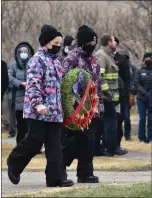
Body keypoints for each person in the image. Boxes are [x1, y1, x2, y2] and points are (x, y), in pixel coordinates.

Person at [7, 25, 74, 187]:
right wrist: (37, 104)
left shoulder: (57, 62)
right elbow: (33, 85)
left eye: (60, 42)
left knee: (55, 146)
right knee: (34, 141)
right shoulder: (37, 60)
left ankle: (56, 178)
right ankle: (14, 163)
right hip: (39, 111)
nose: (58, 46)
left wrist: (69, 100)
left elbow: (61, 85)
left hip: (55, 112)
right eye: (56, 42)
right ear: (46, 43)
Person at [62, 25, 103, 183]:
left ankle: (85, 173)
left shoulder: (94, 60)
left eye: (95, 42)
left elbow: (97, 84)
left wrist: (98, 107)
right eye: (90, 41)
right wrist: (69, 105)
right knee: (75, 140)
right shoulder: (72, 58)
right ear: (83, 42)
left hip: (91, 108)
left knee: (89, 141)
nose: (93, 44)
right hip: (76, 107)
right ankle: (59, 165)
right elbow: (65, 81)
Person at [95, 33, 126, 156]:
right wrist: (107, 92)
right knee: (110, 122)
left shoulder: (109, 56)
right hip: (106, 97)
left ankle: (100, 148)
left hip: (111, 96)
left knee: (108, 122)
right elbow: (99, 76)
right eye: (114, 41)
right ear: (108, 42)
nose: (116, 44)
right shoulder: (102, 56)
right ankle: (111, 148)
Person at [8, 42, 34, 144]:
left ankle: (30, 147)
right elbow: (9, 78)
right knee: (21, 126)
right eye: (21, 51)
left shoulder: (32, 64)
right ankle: (19, 145)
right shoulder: (13, 65)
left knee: (30, 127)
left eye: (26, 51)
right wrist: (20, 83)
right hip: (19, 100)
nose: (24, 53)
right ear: (18, 53)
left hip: (31, 100)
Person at [134, 52, 152, 143]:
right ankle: (141, 138)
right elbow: (137, 84)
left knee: (150, 118)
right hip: (141, 98)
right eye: (147, 58)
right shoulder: (139, 71)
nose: (149, 60)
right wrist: (145, 93)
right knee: (142, 118)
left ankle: (150, 138)